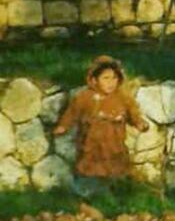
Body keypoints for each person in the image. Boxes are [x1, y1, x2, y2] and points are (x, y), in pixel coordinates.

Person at [54, 55, 149, 197]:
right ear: (94, 80)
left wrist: (139, 123)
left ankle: (116, 194)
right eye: (106, 78)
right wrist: (63, 126)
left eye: (114, 78)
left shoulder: (122, 98)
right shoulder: (85, 97)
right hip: (91, 146)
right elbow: (72, 113)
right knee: (89, 170)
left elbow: (133, 113)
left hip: (114, 145)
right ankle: (85, 195)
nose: (111, 82)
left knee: (116, 169)